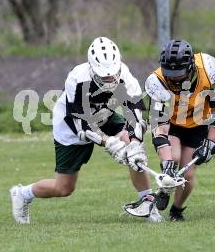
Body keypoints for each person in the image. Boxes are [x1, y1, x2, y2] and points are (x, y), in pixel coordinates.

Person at [9, 37, 162, 224]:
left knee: (132, 148)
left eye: (113, 74)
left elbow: (136, 117)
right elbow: (83, 127)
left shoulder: (125, 76)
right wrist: (110, 143)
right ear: (92, 69)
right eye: (105, 76)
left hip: (104, 114)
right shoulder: (77, 79)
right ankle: (22, 194)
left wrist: (135, 144)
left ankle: (148, 203)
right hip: (71, 126)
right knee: (64, 188)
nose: (111, 79)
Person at [145, 39, 215, 221]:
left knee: (188, 175)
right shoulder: (157, 81)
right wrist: (165, 163)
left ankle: (176, 210)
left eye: (178, 73)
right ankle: (165, 185)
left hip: (198, 124)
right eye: (169, 73)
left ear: (190, 67)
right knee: (172, 159)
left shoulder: (208, 69)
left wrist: (211, 142)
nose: (173, 78)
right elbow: (160, 128)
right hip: (173, 125)